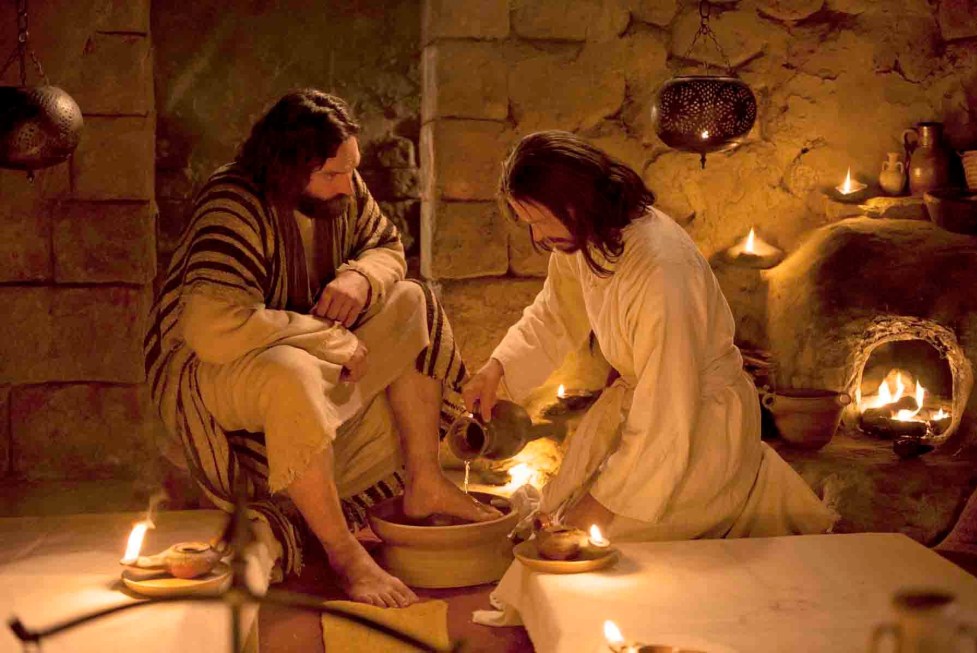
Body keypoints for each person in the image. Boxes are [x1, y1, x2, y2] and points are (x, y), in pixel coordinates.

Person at [144, 89, 498, 608]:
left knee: (410, 299)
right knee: (291, 372)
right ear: (287, 168)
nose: (348, 185)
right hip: (219, 368)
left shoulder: (340, 188)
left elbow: (386, 247)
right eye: (333, 174)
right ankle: (343, 551)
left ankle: (424, 480)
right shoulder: (233, 202)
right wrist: (328, 339)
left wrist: (361, 277)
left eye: (351, 170)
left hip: (312, 353)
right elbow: (211, 327)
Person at [462, 131, 835, 541]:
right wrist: (497, 368)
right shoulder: (584, 236)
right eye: (529, 224)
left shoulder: (661, 269)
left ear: (575, 198)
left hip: (695, 429)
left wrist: (600, 505)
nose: (537, 237)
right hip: (654, 410)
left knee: (599, 548)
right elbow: (556, 312)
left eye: (539, 220)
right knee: (558, 528)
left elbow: (667, 405)